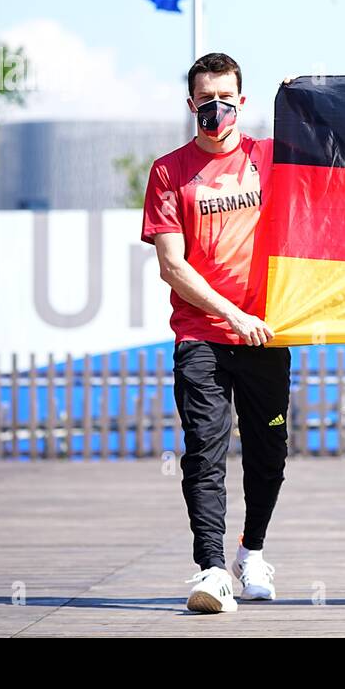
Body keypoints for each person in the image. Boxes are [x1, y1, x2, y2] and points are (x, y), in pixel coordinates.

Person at [140, 52, 289, 614]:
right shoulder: (168, 171)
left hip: (267, 334)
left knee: (269, 455)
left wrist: (314, 97)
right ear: (191, 105)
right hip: (201, 335)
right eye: (206, 101)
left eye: (226, 100)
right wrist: (233, 316)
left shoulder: (269, 160)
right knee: (204, 453)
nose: (217, 110)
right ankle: (211, 571)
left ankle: (250, 555)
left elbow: (337, 175)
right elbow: (172, 266)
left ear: (242, 103)